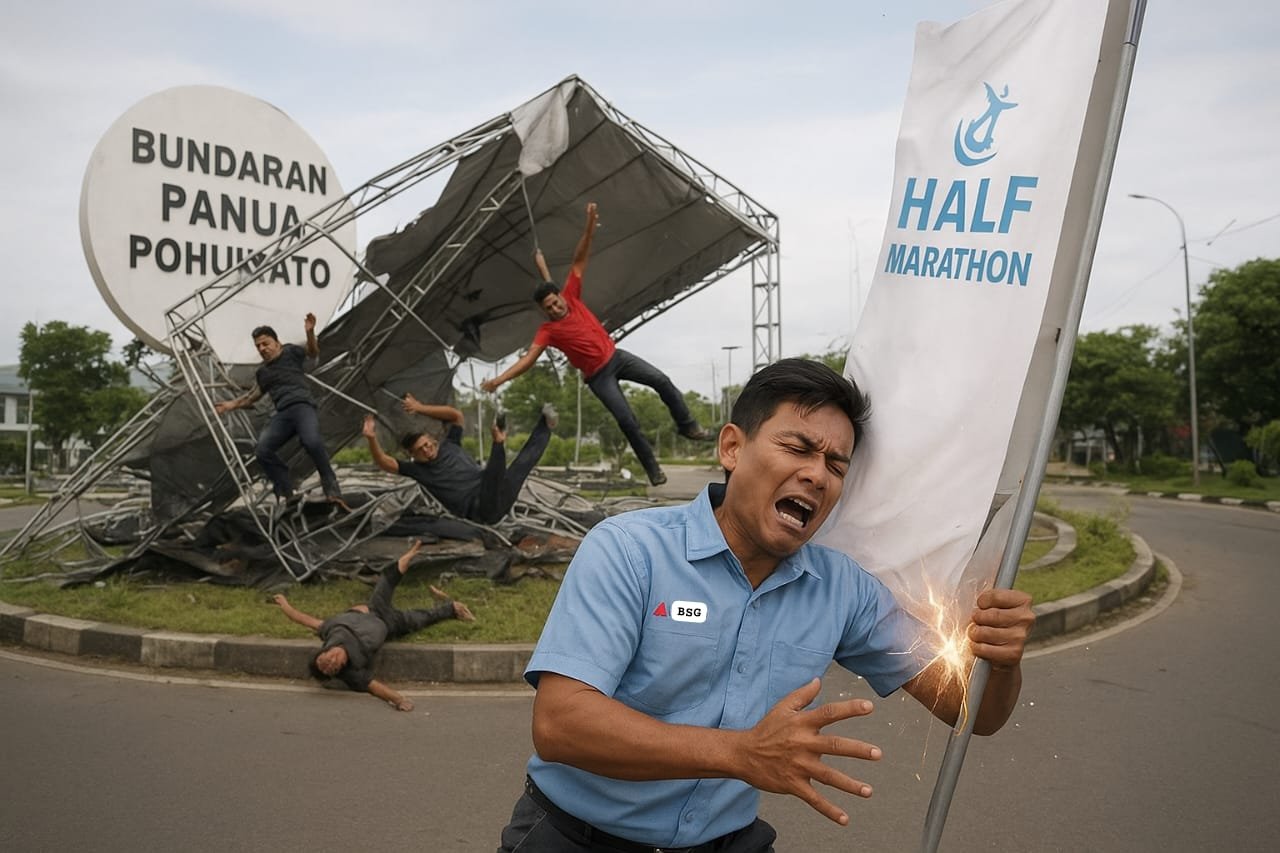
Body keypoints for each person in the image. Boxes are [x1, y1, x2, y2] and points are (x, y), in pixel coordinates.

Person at [497, 358, 1035, 852]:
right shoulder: (630, 550)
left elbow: (975, 712)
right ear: (732, 448)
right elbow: (562, 724)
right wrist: (740, 753)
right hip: (577, 837)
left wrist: (1001, 660)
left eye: (837, 465)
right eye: (798, 448)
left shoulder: (842, 590)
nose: (817, 474)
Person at [480, 202, 710, 487]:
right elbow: (528, 360)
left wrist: (589, 225)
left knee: (661, 379)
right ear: (544, 311)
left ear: (561, 298)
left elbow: (579, 259)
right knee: (627, 419)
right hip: (599, 377)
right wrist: (499, 379)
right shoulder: (548, 330)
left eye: (555, 303)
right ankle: (652, 468)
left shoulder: (571, 295)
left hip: (617, 357)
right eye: (548, 308)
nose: (554, 309)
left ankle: (688, 426)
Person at [271, 538, 475, 711]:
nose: (332, 660)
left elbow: (303, 619)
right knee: (419, 619)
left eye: (326, 659)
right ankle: (453, 608)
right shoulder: (353, 670)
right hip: (387, 622)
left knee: (387, 579)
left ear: (323, 651)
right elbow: (374, 686)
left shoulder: (330, 631)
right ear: (339, 670)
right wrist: (398, 699)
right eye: (332, 668)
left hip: (373, 607)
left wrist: (284, 604)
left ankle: (411, 554)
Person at [362, 393, 558, 525]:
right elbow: (384, 462)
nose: (428, 450)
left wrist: (419, 407)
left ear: (433, 441)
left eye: (428, 444)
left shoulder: (450, 444)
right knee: (493, 473)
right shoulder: (418, 470)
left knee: (521, 466)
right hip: (481, 508)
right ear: (412, 455)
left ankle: (545, 426)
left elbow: (455, 415)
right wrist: (371, 438)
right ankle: (498, 443)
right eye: (421, 450)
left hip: (500, 494)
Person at [214, 313, 343, 506]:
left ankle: (331, 487)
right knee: (263, 450)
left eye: (265, 344)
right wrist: (230, 405)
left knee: (312, 442)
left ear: (277, 343)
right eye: (258, 346)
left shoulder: (290, 352)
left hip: (302, 406)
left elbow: (313, 352)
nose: (262, 349)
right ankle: (287, 491)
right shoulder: (263, 372)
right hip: (283, 414)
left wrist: (310, 332)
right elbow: (253, 396)